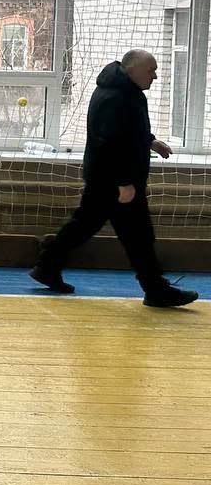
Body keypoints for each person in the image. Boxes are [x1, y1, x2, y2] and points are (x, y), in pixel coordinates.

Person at [30, 50, 198, 307]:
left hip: (107, 178)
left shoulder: (125, 91)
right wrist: (124, 183)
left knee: (85, 226)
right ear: (133, 70)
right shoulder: (116, 97)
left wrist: (150, 141)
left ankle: (47, 266)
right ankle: (155, 289)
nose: (155, 76)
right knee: (138, 236)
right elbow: (109, 143)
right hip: (114, 181)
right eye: (151, 70)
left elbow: (127, 130)